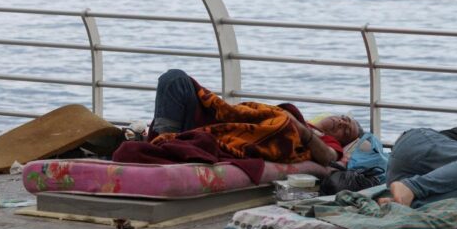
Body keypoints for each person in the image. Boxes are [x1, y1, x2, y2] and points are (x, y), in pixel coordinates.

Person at [142, 69, 362, 166]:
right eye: (343, 117)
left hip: (231, 137)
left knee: (282, 124)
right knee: (174, 78)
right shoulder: (294, 115)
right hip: (220, 121)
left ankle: (167, 147)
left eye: (346, 129)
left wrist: (298, 128)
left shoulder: (320, 138)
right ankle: (165, 141)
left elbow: (329, 158)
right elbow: (243, 114)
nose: (342, 122)